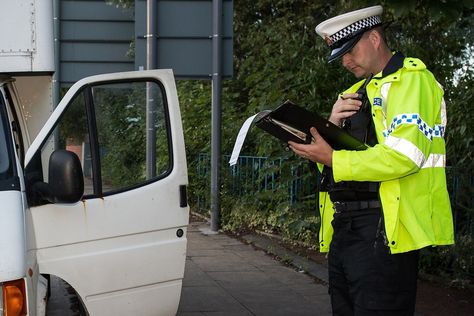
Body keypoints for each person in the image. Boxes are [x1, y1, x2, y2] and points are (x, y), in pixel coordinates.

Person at [288, 5, 454, 316]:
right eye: (341, 55)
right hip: (345, 227)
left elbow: (405, 156)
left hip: (383, 229)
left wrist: (333, 158)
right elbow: (334, 164)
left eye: (350, 50)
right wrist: (328, 129)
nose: (346, 61)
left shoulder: (411, 81)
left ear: (374, 38)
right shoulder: (353, 93)